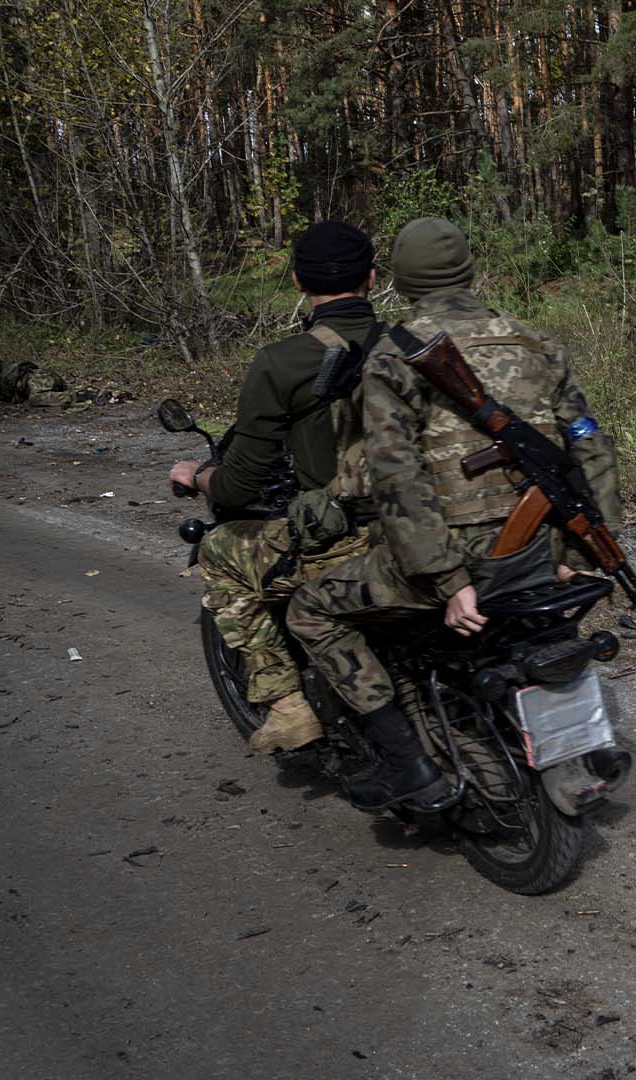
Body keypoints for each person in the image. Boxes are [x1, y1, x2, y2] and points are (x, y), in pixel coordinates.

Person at [285, 217, 621, 811]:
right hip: (540, 549)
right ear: (470, 271)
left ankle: (407, 766)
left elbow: (397, 475)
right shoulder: (537, 342)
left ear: (397, 280)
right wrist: (581, 552)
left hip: (462, 561)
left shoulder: (396, 354)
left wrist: (448, 579)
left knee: (310, 609)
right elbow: (589, 442)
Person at [170, 221, 381, 754]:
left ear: (296, 282)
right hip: (416, 527)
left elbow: (239, 484)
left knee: (219, 550)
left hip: (347, 540)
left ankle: (287, 707)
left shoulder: (282, 361)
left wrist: (197, 476)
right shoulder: (415, 346)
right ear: (373, 279)